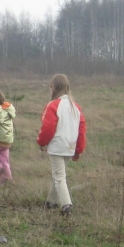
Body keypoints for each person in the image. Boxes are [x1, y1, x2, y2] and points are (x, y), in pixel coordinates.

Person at [36, 74, 86, 216]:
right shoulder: (75, 107)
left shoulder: (53, 105)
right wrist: (78, 149)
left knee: (59, 177)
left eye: (50, 87)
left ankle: (66, 206)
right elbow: (81, 129)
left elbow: (48, 128)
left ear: (54, 88)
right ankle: (51, 202)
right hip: (70, 146)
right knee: (59, 175)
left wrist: (41, 142)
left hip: (58, 146)